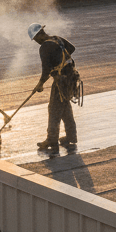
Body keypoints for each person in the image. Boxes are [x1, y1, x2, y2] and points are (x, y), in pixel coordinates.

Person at [28, 22, 78, 154]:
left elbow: (46, 70)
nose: (36, 42)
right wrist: (60, 61)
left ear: (39, 35)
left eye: (35, 39)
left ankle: (51, 140)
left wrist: (40, 84)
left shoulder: (44, 47)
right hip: (71, 77)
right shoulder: (57, 38)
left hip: (61, 81)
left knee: (54, 109)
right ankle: (71, 136)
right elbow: (71, 49)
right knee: (65, 106)